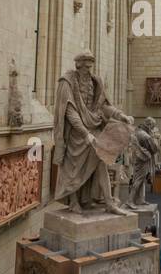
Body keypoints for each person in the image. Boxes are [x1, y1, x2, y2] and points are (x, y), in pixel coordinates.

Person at [51, 50, 134, 215]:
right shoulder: (67, 81)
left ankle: (109, 203)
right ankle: (73, 201)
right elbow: (70, 111)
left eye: (90, 66)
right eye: (85, 67)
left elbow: (102, 106)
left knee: (101, 163)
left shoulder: (95, 82)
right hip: (75, 134)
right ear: (78, 65)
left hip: (94, 129)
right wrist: (84, 133)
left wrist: (121, 115)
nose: (89, 70)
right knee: (73, 169)